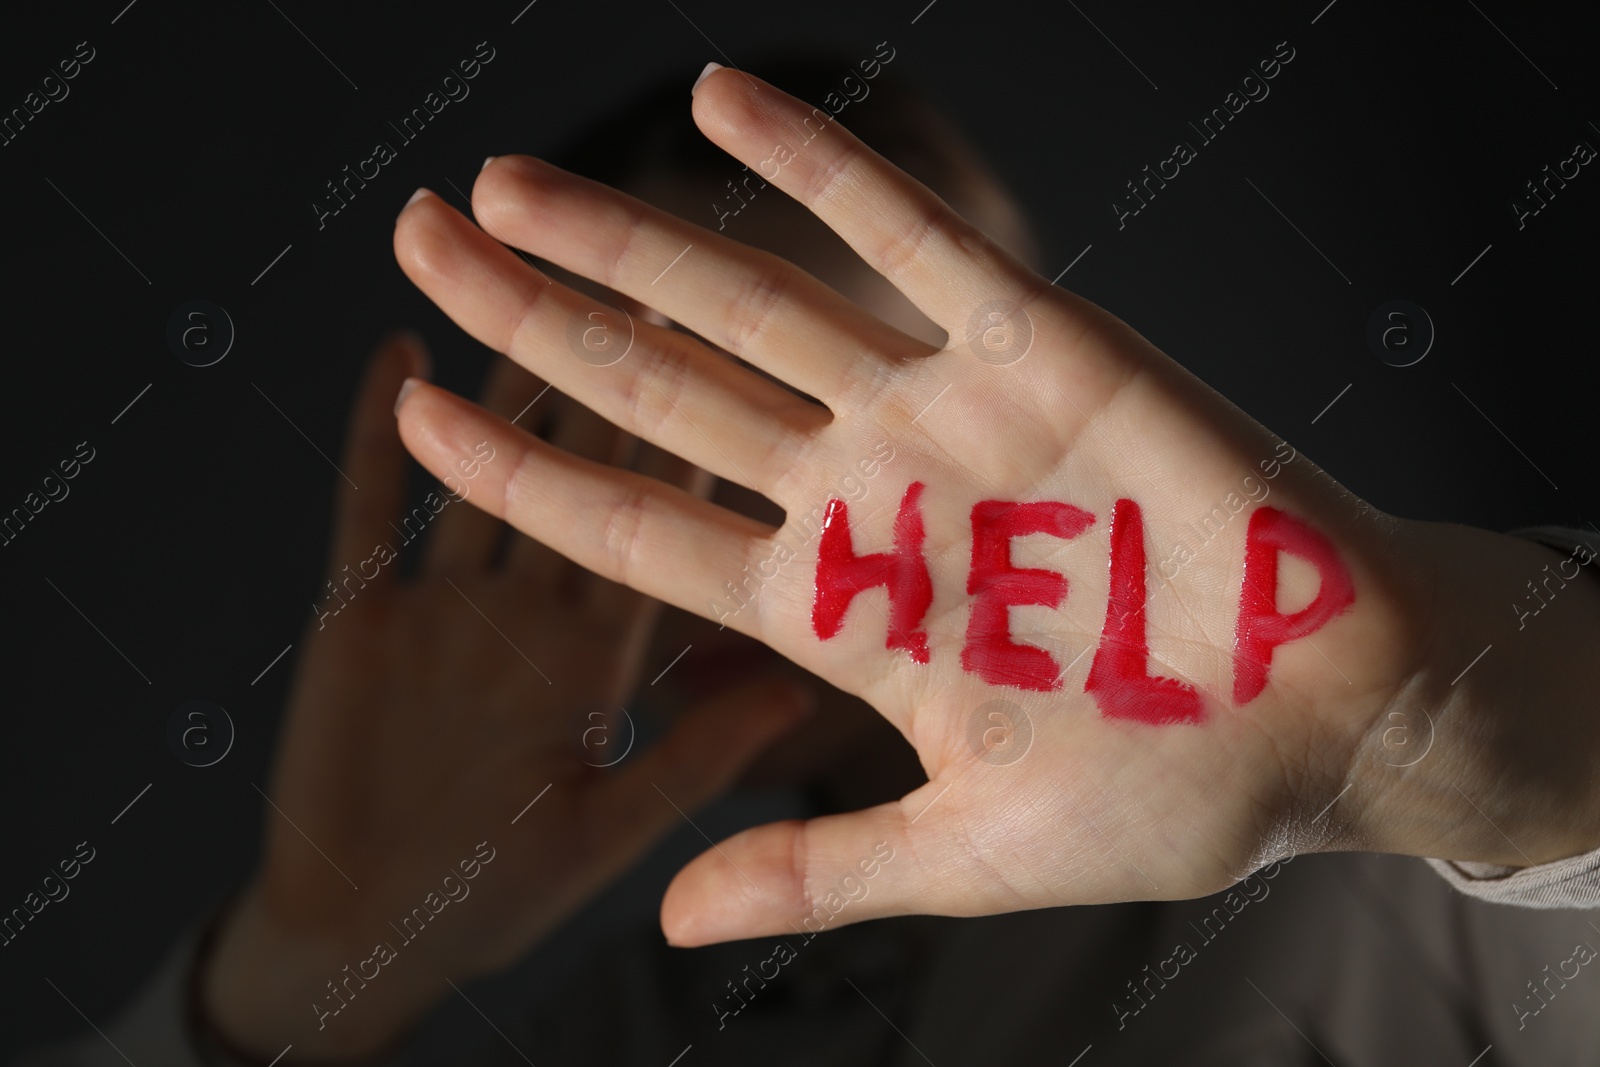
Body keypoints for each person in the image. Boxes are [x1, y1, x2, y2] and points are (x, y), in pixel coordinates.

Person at [20, 57, 1600, 1066]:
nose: (739, 543)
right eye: (637, 446)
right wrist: (305, 975)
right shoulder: (673, 1014)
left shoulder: (1405, 884)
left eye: (811, 422)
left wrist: (1481, 731)